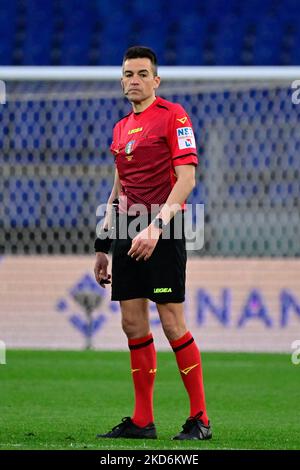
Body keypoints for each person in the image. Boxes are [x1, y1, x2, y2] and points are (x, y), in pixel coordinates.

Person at [94, 46, 211, 441]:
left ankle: (200, 419)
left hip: (164, 228)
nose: (134, 80)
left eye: (142, 74)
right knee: (131, 323)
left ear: (155, 80)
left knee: (172, 323)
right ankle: (143, 421)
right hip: (128, 229)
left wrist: (156, 227)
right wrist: (102, 243)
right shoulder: (121, 127)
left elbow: (187, 179)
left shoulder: (173, 116)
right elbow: (118, 187)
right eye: (128, 74)